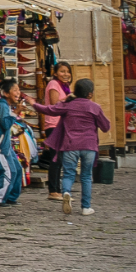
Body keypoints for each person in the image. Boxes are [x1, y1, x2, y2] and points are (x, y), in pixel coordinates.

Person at [35, 77, 112, 215]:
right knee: (86, 176)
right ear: (90, 94)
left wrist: (33, 104)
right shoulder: (95, 107)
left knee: (69, 174)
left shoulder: (68, 105)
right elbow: (105, 127)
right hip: (89, 146)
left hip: (70, 145)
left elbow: (49, 110)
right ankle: (86, 207)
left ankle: (65, 192)